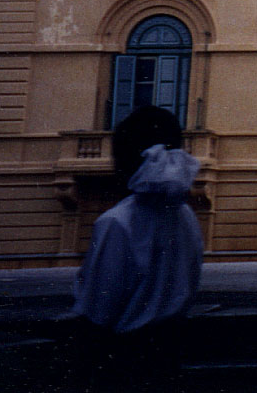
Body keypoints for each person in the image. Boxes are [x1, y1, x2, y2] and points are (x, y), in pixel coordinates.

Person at [70, 104, 204, 391]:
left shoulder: (117, 222)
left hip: (125, 359)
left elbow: (99, 308)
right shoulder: (185, 216)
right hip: (169, 353)